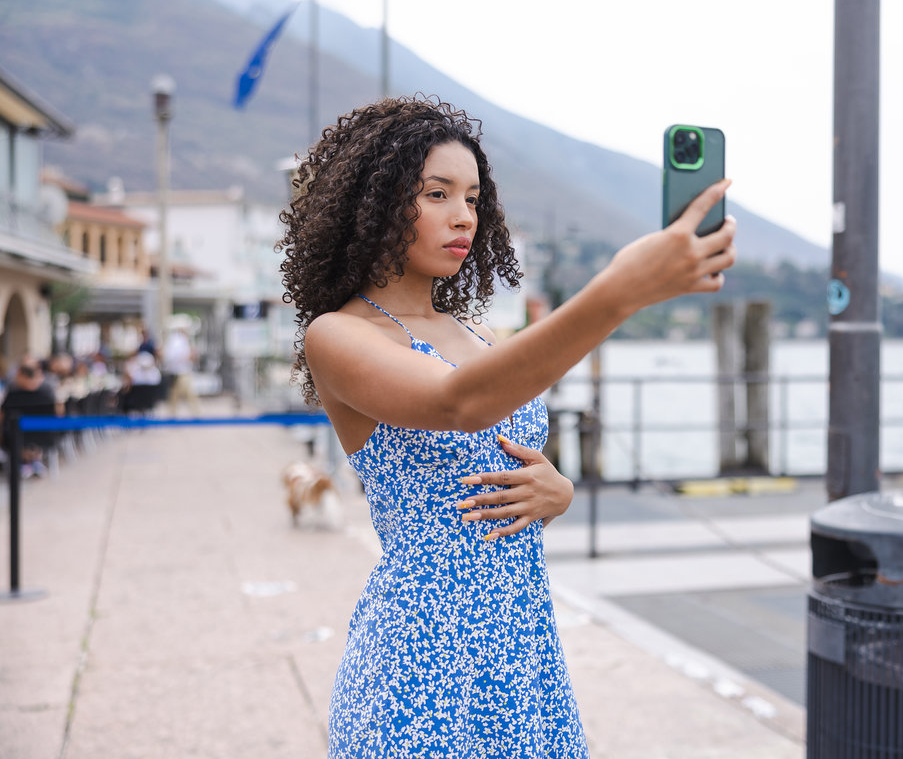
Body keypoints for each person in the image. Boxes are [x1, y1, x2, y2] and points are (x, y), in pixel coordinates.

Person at [277, 96, 735, 758]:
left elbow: (497, 443)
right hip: (420, 656)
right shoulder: (338, 336)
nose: (464, 215)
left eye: (473, 197)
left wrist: (560, 492)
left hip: (520, 646)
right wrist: (619, 292)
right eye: (437, 193)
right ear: (370, 204)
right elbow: (460, 404)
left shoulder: (476, 333)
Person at [0, 357, 64, 478]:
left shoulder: (13, 393)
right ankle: (32, 461)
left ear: (21, 375)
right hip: (46, 436)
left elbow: (2, 417)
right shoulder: (47, 392)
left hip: (16, 437)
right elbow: (58, 414)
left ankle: (27, 462)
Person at [161, 321, 201, 416]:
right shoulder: (177, 340)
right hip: (180, 372)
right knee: (186, 395)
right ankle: (195, 414)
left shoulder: (180, 340)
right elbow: (173, 356)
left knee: (175, 396)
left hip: (181, 371)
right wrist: (189, 356)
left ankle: (174, 415)